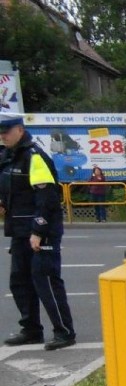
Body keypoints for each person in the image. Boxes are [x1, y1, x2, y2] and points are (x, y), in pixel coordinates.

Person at [0, 113, 76, 350]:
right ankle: (31, 329)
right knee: (20, 281)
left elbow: (48, 198)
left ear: (20, 130)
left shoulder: (34, 157)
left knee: (45, 280)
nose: (2, 136)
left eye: (6, 132)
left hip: (41, 229)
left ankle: (64, 332)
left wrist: (38, 230)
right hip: (19, 229)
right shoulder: (7, 156)